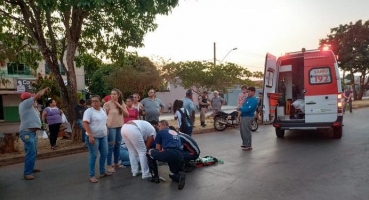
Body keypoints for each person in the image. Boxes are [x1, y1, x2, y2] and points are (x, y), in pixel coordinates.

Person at [19, 87, 50, 180]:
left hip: (32, 133)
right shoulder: (25, 103)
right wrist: (44, 89)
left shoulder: (30, 107)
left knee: (33, 152)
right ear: (27, 99)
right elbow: (38, 95)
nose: (34, 100)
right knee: (31, 153)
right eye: (32, 98)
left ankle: (30, 168)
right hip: (27, 133)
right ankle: (27, 173)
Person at [147, 120, 186, 190]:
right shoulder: (175, 132)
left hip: (170, 152)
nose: (158, 128)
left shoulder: (160, 132)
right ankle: (180, 177)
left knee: (150, 152)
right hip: (180, 154)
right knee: (172, 174)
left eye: (159, 126)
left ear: (163, 126)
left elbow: (157, 149)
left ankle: (154, 177)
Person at [83, 95, 111, 183]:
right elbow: (85, 123)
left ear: (100, 102)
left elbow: (105, 121)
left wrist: (107, 129)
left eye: (96, 101)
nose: (94, 103)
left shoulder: (102, 110)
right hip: (93, 137)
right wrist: (90, 136)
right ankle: (92, 175)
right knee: (93, 155)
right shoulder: (89, 111)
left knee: (105, 153)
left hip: (103, 136)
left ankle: (102, 171)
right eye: (93, 101)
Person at [103, 89, 129, 173]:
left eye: (114, 94)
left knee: (118, 145)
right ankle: (109, 165)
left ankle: (116, 163)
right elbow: (104, 116)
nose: (112, 96)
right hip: (111, 127)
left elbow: (126, 115)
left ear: (118, 95)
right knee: (111, 146)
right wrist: (106, 127)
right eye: (111, 94)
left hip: (120, 126)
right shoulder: (107, 104)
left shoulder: (122, 103)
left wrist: (119, 105)